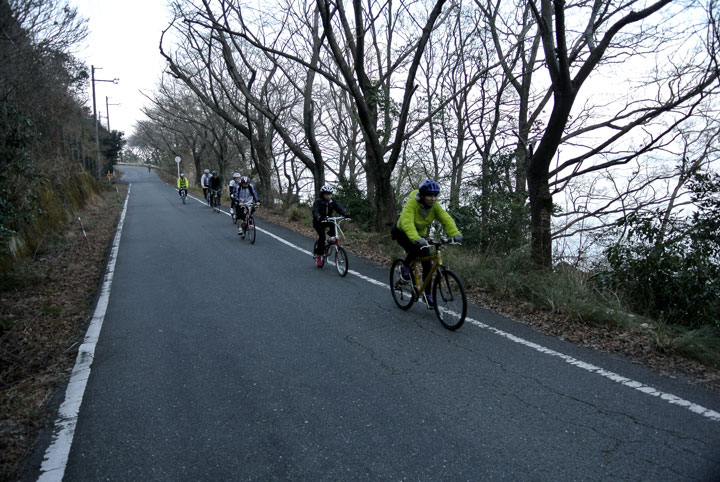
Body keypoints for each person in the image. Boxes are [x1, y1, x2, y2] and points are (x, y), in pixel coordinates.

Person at [391, 180, 462, 306]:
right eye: (430, 195)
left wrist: (454, 234)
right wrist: (416, 238)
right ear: (423, 195)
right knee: (414, 248)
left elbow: (445, 218)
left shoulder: (435, 206)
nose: (433, 199)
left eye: (435, 195)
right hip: (401, 231)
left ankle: (427, 294)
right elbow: (407, 223)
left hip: (419, 234)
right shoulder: (412, 203)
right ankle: (405, 267)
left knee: (428, 264)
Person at [312, 184, 349, 267]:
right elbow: (315, 211)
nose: (328, 196)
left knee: (333, 233)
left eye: (330, 194)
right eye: (326, 194)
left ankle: (328, 243)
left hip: (329, 220)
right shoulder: (318, 201)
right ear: (322, 194)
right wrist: (318, 216)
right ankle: (319, 255)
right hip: (319, 221)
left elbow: (339, 208)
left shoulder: (332, 201)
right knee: (322, 237)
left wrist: (345, 214)